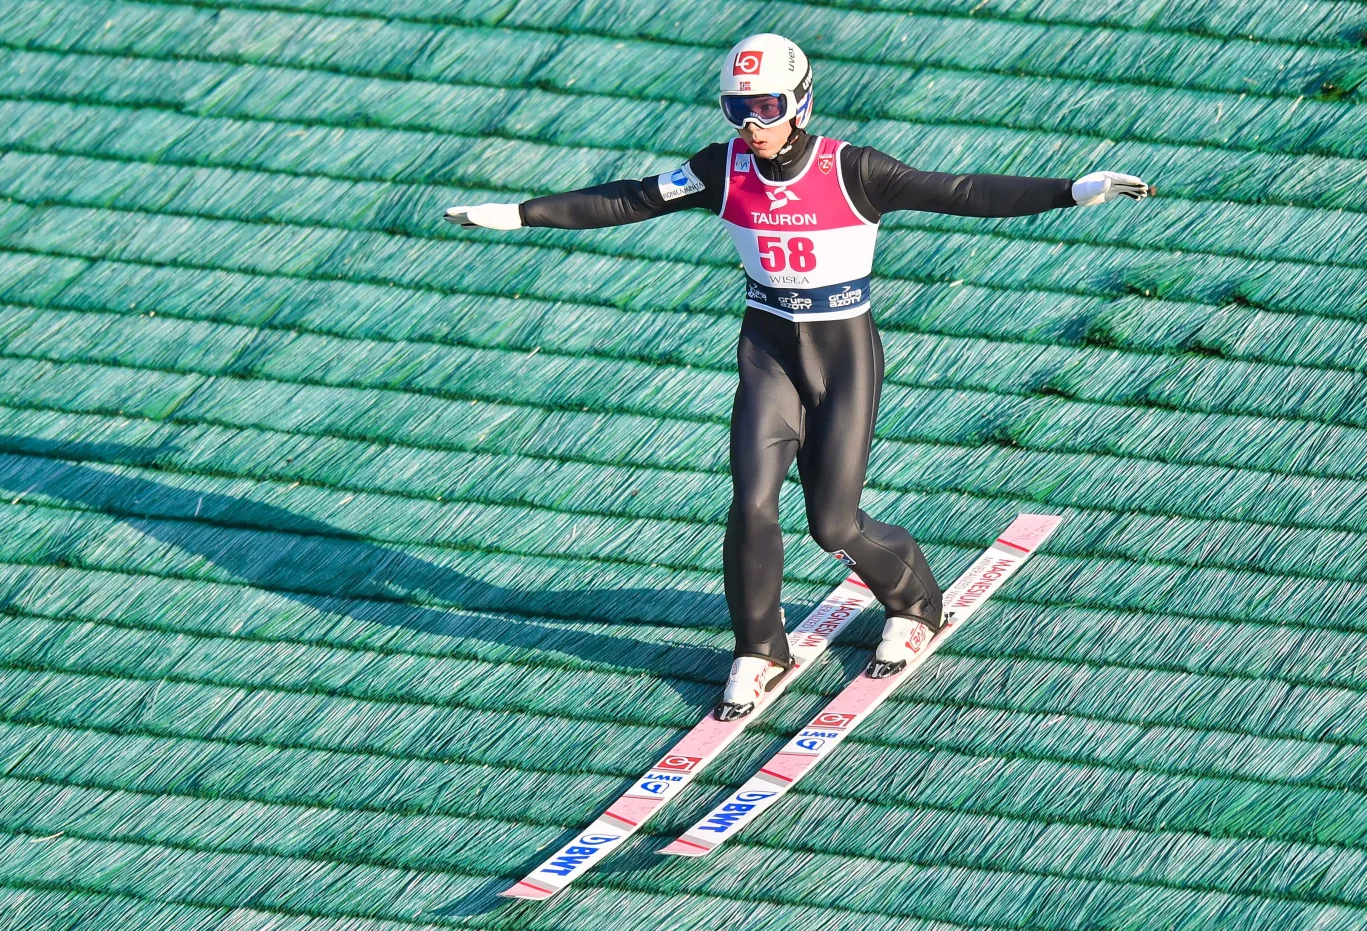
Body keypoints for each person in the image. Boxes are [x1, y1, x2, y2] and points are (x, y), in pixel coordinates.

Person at [445, 33, 1149, 721]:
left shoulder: (853, 170)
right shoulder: (721, 169)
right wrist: (519, 215)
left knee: (832, 522)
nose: (752, 125)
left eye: (768, 107)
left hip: (843, 357)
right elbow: (631, 198)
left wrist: (1071, 191)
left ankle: (913, 602)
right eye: (738, 109)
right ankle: (759, 647)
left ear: (801, 103)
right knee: (750, 503)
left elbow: (960, 191)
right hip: (769, 355)